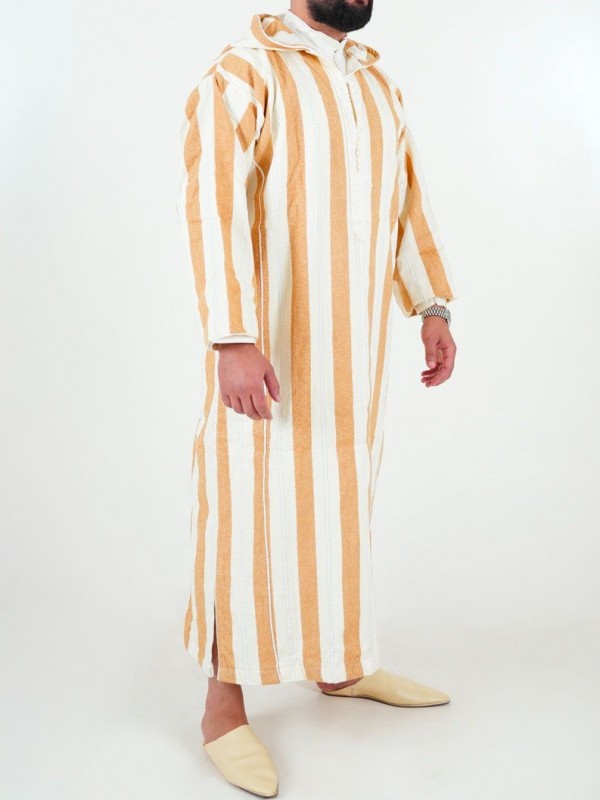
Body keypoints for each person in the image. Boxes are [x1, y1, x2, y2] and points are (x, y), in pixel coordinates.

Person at [176, 1, 458, 795]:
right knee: (246, 503)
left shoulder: (375, 85)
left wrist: (431, 306)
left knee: (339, 504)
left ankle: (339, 664)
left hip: (354, 350)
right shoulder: (245, 72)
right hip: (268, 348)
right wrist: (232, 338)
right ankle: (222, 708)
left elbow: (406, 201)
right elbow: (213, 205)